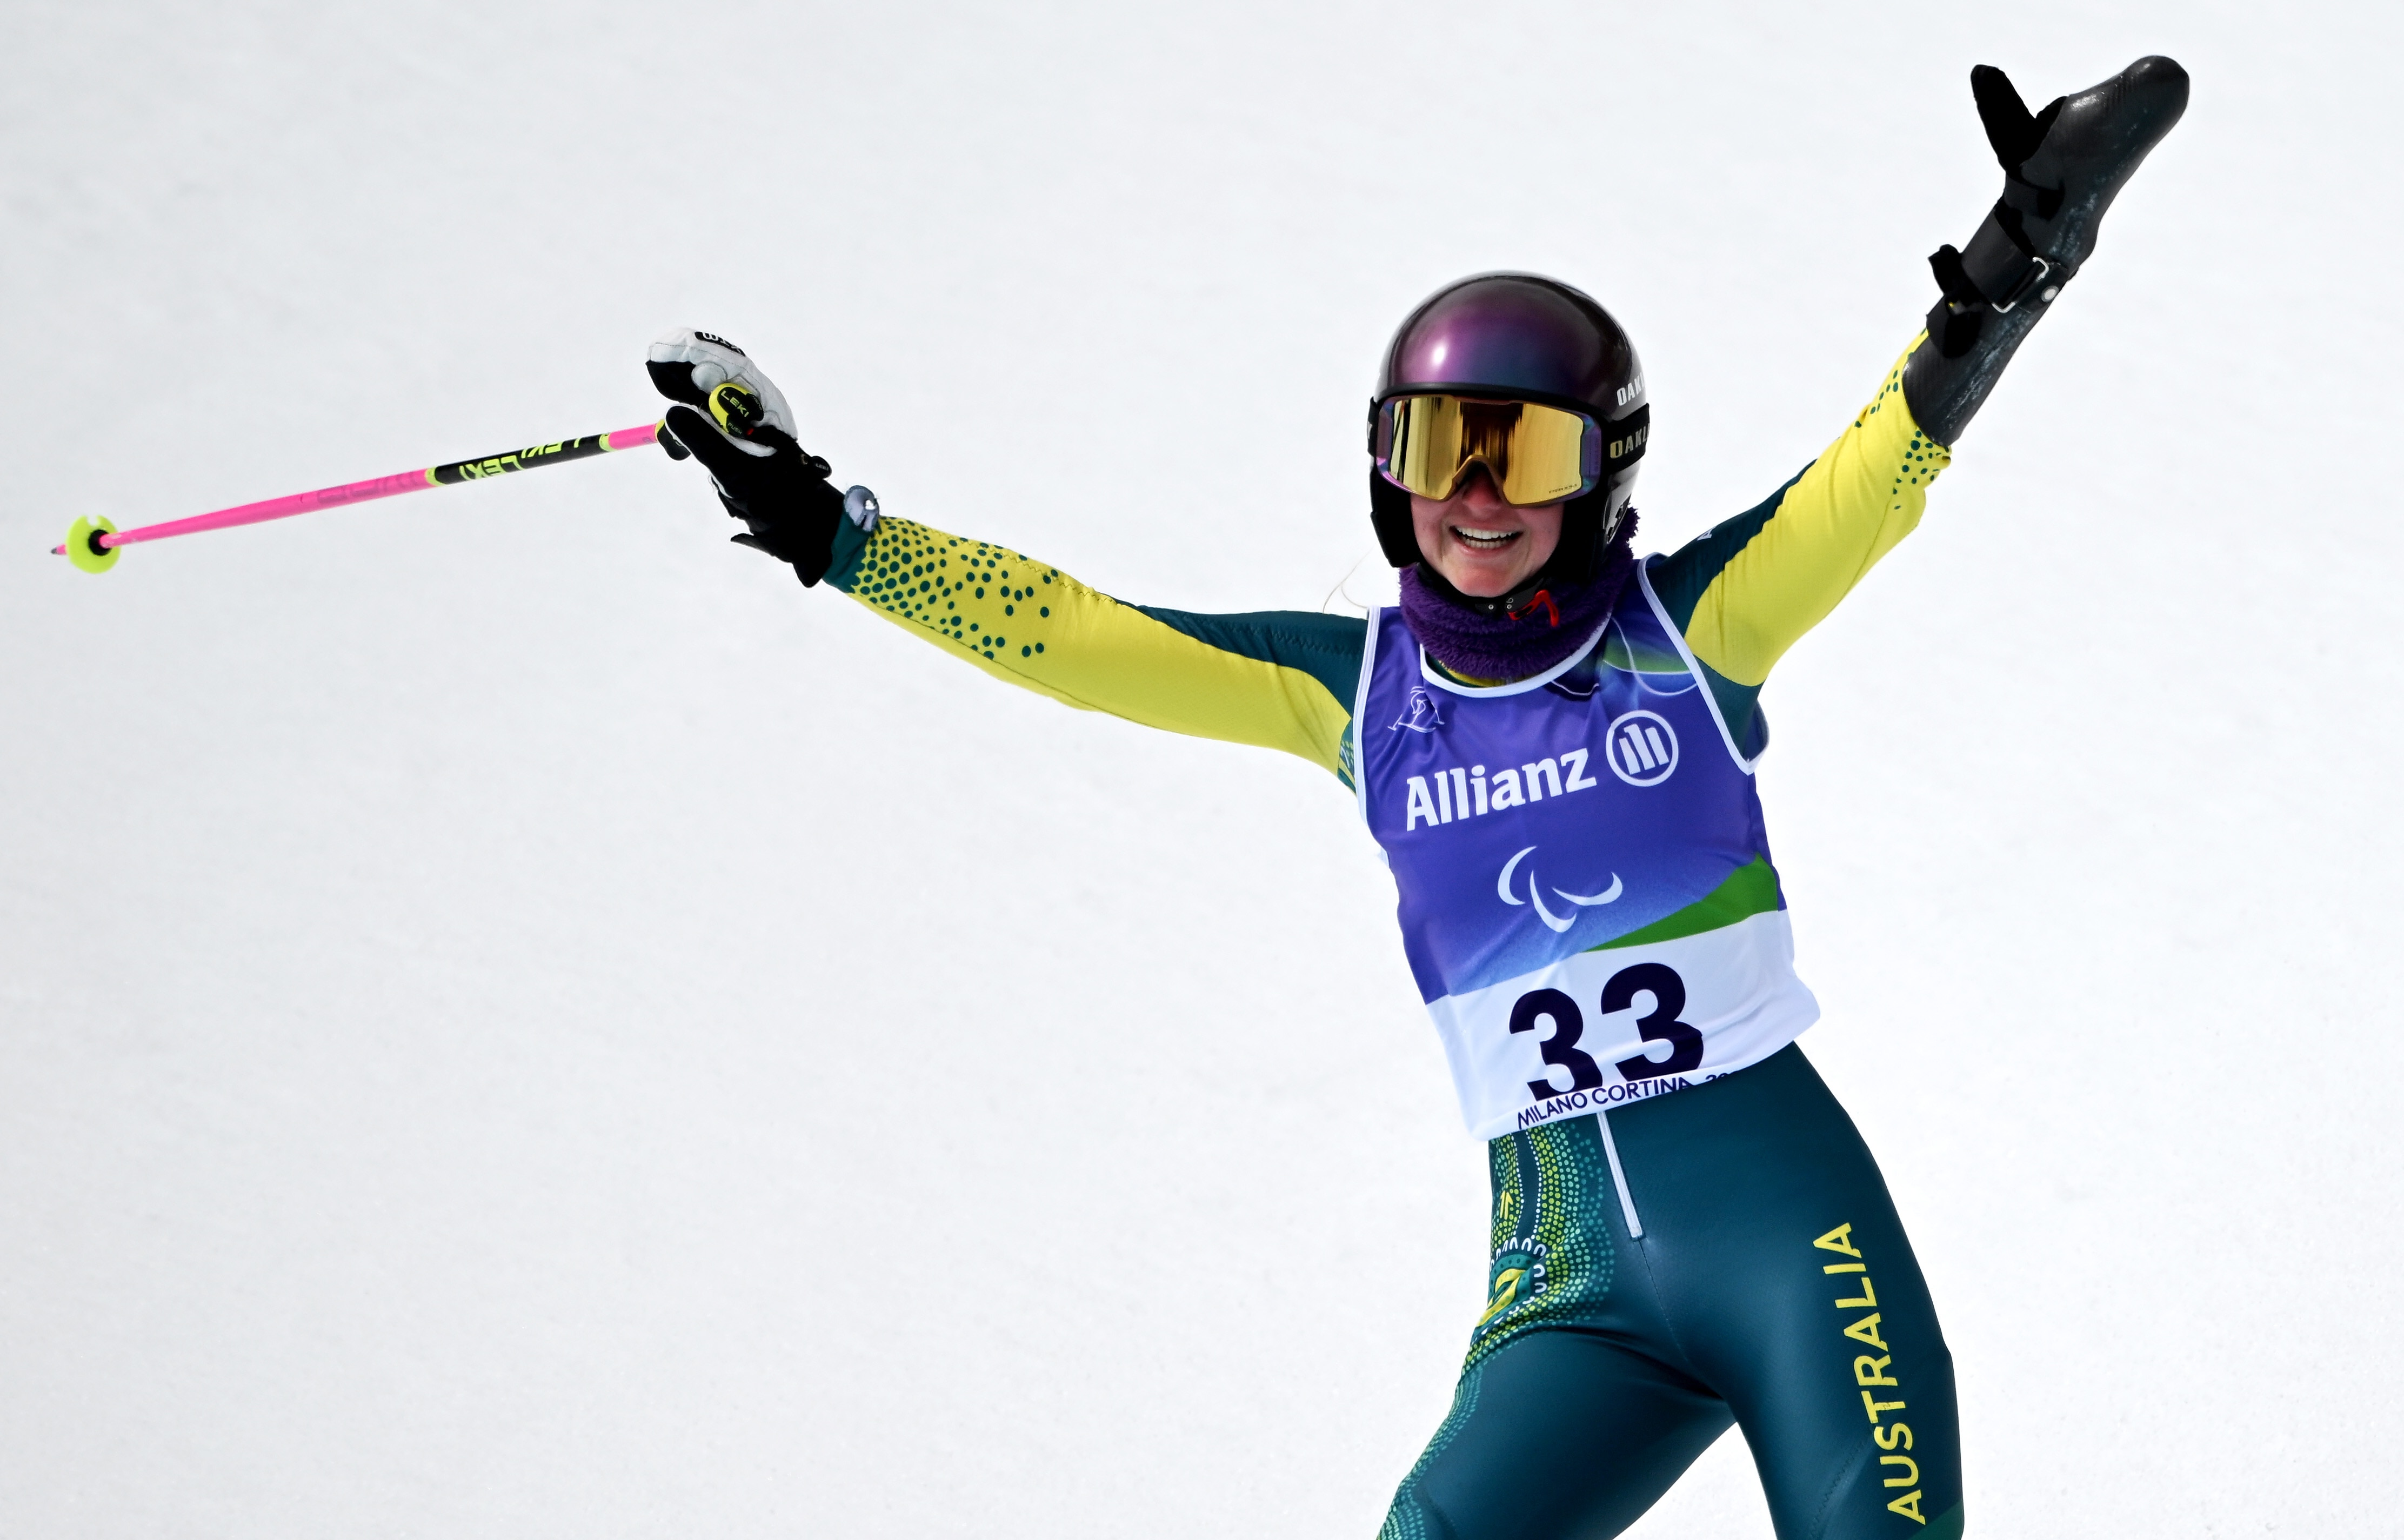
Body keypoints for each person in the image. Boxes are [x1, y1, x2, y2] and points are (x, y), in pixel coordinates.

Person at [645, 58, 2187, 1540]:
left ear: (1602, 475)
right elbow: (1074, 636)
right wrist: (825, 524)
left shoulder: (1689, 631)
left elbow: (1886, 463)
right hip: (1569, 1296)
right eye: (1443, 448)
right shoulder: (1357, 694)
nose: (1477, 497)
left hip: (1794, 1249)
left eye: (1527, 455)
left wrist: (2015, 263)